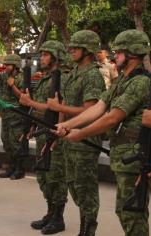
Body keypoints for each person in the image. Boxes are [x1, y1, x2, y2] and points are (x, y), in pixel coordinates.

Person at [56, 29, 151, 236]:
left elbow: (112, 117)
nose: (113, 55)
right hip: (124, 155)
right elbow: (98, 108)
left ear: (132, 54)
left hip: (135, 156)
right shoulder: (122, 81)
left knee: (132, 213)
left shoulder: (140, 82)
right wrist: (68, 125)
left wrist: (80, 134)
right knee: (125, 211)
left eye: (118, 52)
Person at [47, 30, 105, 236]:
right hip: (69, 138)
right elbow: (65, 104)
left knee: (85, 187)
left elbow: (90, 110)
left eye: (76, 48)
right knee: (73, 184)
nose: (71, 51)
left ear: (87, 50)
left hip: (85, 140)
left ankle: (88, 229)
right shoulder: (74, 73)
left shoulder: (92, 76)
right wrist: (60, 128)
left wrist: (58, 109)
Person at [19, 40, 68, 234]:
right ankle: (50, 212)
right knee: (43, 177)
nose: (43, 58)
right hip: (41, 131)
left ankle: (58, 217)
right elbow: (39, 107)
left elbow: (56, 107)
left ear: (55, 57)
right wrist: (31, 124)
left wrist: (57, 133)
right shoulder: (44, 79)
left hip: (54, 134)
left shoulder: (61, 78)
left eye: (46, 55)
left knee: (56, 177)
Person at [0, 54, 27, 180]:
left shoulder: (21, 78)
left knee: (15, 143)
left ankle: (19, 169)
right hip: (5, 115)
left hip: (16, 115)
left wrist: (12, 85)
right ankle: (11, 167)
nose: (6, 66)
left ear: (15, 66)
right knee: (6, 141)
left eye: (8, 64)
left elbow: (23, 97)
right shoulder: (4, 75)